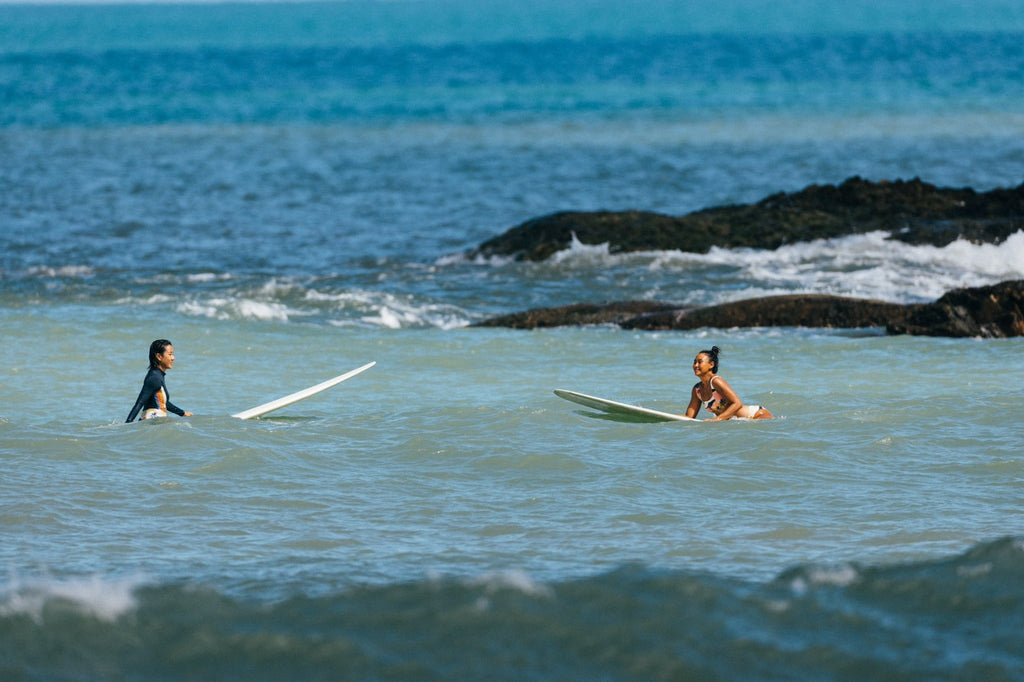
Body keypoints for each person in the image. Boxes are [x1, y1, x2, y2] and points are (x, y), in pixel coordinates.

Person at [684, 345, 772, 421]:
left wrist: (717, 419)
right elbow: (689, 417)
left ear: (711, 365)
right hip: (741, 422)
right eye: (694, 362)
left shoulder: (715, 381)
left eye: (700, 362)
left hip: (757, 415)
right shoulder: (697, 390)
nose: (695, 365)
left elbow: (737, 403)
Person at [126, 339, 193, 422]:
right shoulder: (154, 378)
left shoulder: (158, 375)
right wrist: (127, 424)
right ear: (159, 357)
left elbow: (163, 402)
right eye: (170, 354)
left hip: (155, 424)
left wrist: (182, 413)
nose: (173, 358)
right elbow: (140, 403)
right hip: (152, 423)